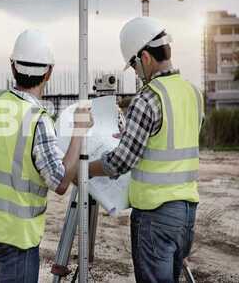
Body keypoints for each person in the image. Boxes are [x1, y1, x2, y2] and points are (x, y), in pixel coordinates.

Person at [0, 29, 93, 282]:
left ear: (12, 68)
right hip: (18, 240)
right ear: (49, 72)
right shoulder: (38, 120)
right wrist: (80, 130)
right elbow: (61, 181)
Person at [89, 17, 204, 283]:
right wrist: (135, 136)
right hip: (186, 214)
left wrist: (83, 167)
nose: (135, 72)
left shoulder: (148, 97)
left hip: (155, 216)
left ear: (145, 57)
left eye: (133, 64)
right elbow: (171, 140)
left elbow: (119, 162)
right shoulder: (193, 93)